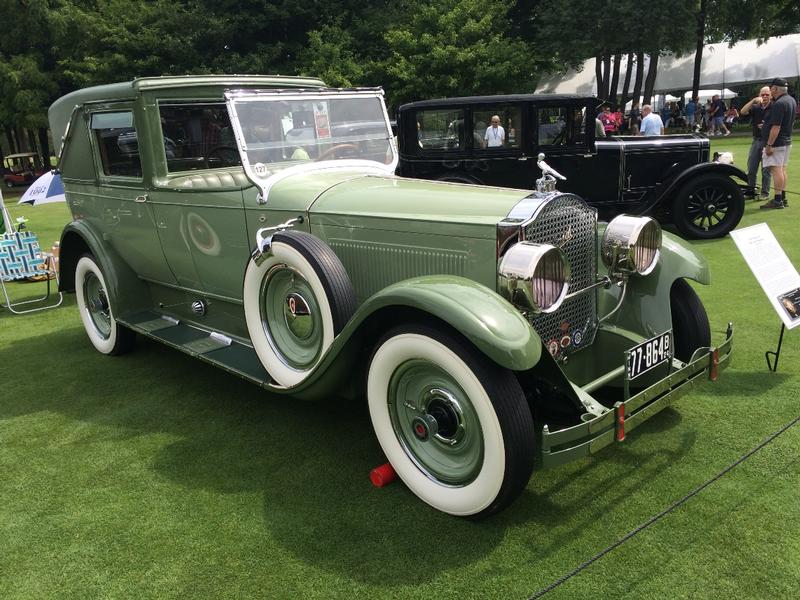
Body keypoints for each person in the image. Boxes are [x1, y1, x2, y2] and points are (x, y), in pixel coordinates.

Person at [761, 78, 797, 209]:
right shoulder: (791, 100)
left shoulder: (779, 103)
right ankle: (782, 197)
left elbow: (776, 127)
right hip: (786, 140)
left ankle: (777, 200)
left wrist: (769, 145)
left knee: (776, 170)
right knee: (782, 169)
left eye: (771, 88)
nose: (770, 90)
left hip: (778, 142)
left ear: (775, 89)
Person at [740, 86, 772, 200]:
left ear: (771, 95)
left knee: (766, 170)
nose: (764, 97)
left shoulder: (774, 107)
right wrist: (753, 100)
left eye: (767, 94)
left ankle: (765, 193)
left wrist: (766, 126)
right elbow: (743, 112)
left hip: (767, 141)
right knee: (751, 168)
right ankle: (750, 191)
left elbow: (777, 125)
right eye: (762, 94)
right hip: (756, 140)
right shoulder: (756, 107)